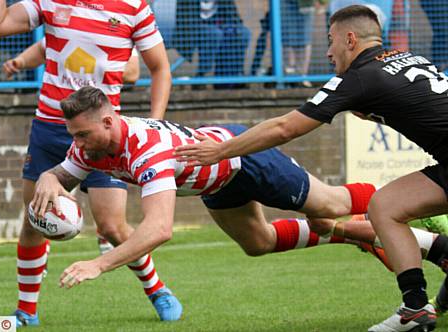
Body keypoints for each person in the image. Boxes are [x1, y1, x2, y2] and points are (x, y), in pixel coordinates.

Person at [175, 5, 448, 331]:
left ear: (350, 39)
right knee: (384, 206)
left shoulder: (358, 77)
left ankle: (415, 309)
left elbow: (283, 128)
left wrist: (220, 150)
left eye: (330, 40)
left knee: (385, 209)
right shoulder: (412, 59)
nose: (328, 52)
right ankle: (418, 308)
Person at [0, 0, 180, 327]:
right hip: (50, 128)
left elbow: (160, 69)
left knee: (112, 227)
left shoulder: (134, 7)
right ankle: (25, 311)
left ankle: (156, 289)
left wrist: (154, 127)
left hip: (106, 135)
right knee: (34, 220)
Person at [2, 40, 141, 84]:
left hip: (95, 119)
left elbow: (132, 73)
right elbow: (42, 49)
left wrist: (91, 66)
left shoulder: (120, 24)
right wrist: (20, 61)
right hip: (55, 119)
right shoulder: (69, 19)